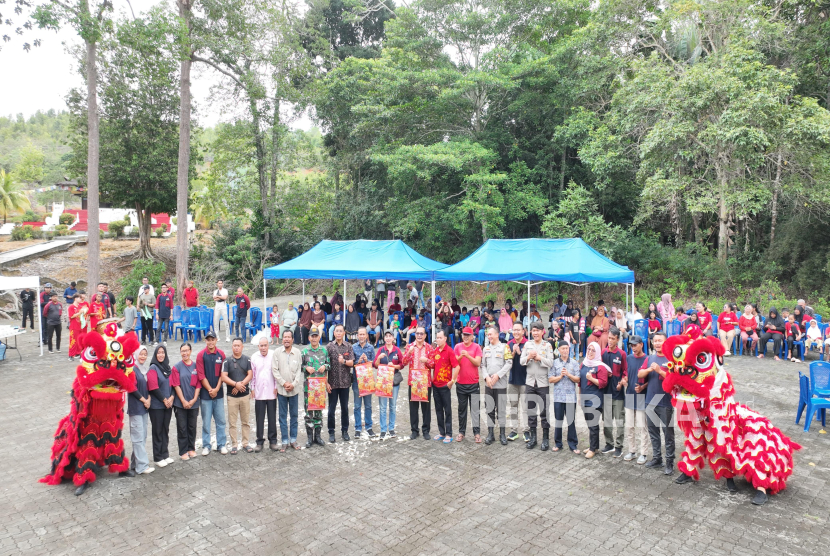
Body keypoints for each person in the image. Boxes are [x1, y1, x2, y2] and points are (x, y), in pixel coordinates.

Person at [638, 331, 674, 475]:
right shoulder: (649, 358)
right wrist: (649, 369)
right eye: (655, 340)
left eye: (660, 340)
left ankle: (669, 462)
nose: (657, 343)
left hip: (665, 401)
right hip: (650, 401)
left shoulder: (671, 359)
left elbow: (673, 379)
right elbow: (640, 374)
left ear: (666, 343)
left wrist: (660, 371)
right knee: (653, 431)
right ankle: (657, 458)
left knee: (668, 434)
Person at [521, 322, 554, 450]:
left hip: (543, 383)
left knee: (544, 411)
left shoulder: (548, 345)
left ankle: (545, 439)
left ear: (542, 332)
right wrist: (529, 357)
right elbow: (521, 361)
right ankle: (533, 438)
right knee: (531, 410)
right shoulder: (527, 345)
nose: (535, 333)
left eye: (537, 331)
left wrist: (540, 358)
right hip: (530, 383)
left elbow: (551, 362)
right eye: (533, 331)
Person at [196, 331, 228, 456]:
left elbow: (223, 374)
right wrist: (210, 389)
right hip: (205, 395)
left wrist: (216, 389)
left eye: (212, 339)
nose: (210, 342)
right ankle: (206, 445)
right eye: (208, 340)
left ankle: (221, 444)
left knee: (221, 421)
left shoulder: (221, 354)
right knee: (206, 422)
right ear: (206, 341)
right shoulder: (200, 355)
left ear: (216, 340)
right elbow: (201, 375)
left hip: (219, 394)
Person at [271, 330, 303, 451]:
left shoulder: (297, 352)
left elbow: (299, 371)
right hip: (282, 390)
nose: (286, 339)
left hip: (294, 391)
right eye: (284, 337)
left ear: (292, 339)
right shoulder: (277, 352)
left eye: (289, 337)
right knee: (282, 416)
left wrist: (293, 384)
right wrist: (284, 383)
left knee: (294, 415)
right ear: (282, 338)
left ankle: (293, 439)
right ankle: (284, 440)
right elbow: (275, 370)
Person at [481, 326, 512, 446]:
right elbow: (483, 365)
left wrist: (498, 375)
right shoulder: (486, 349)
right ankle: (490, 434)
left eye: (491, 334)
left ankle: (502, 434)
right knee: (489, 409)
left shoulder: (505, 347)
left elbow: (509, 363)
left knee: (501, 410)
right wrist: (486, 377)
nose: (489, 336)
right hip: (489, 385)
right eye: (488, 335)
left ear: (497, 335)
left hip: (500, 385)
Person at [401, 326, 434, 439]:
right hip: (414, 381)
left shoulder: (429, 348)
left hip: (425, 382)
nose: (419, 335)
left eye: (421, 333)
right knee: (413, 407)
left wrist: (427, 361)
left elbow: (433, 364)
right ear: (415, 335)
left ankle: (426, 430)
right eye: (417, 333)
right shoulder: (410, 347)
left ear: (425, 335)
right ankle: (414, 430)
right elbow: (403, 362)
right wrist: (409, 353)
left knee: (426, 407)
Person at [578, 342, 609, 459]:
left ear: (597, 353)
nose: (590, 352)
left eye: (593, 350)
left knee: (593, 424)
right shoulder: (584, 364)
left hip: (595, 399)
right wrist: (580, 396)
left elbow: (603, 383)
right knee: (589, 424)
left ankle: (593, 449)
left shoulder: (600, 367)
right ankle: (593, 446)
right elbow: (581, 382)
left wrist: (592, 379)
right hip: (585, 398)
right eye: (588, 349)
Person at [170, 343, 200, 461]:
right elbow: (176, 385)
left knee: (192, 426)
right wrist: (183, 400)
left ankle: (191, 448)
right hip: (180, 403)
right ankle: (183, 451)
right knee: (182, 427)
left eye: (187, 351)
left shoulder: (196, 367)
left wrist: (193, 400)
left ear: (191, 351)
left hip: (194, 402)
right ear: (180, 352)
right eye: (182, 351)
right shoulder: (176, 367)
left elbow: (198, 384)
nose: (185, 353)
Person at [222, 338, 253, 454]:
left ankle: (245, 443)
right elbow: (223, 377)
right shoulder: (227, 361)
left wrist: (240, 385)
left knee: (245, 421)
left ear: (242, 347)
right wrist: (235, 384)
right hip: (232, 397)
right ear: (232, 347)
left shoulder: (247, 360)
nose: (236, 347)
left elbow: (250, 375)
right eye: (234, 345)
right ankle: (234, 444)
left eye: (238, 345)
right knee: (232, 422)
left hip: (245, 395)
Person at [453, 326, 483, 443]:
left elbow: (477, 363)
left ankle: (477, 433)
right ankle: (461, 432)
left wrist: (468, 355)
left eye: (468, 335)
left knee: (475, 410)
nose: (465, 337)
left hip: (474, 384)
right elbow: (456, 363)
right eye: (464, 335)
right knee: (462, 409)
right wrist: (461, 356)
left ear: (472, 337)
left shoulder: (476, 347)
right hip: (461, 383)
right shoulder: (457, 347)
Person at [146, 345, 175, 468]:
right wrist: (164, 399)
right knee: (157, 431)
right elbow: (153, 387)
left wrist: (171, 398)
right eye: (159, 353)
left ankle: (165, 454)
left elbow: (173, 384)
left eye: (163, 352)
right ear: (155, 355)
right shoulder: (153, 368)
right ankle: (158, 457)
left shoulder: (168, 368)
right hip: (157, 406)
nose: (161, 355)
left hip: (168, 405)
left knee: (165, 429)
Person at [601, 327, 628, 457]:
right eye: (609, 338)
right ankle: (609, 444)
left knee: (619, 421)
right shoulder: (603, 353)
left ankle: (619, 446)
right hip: (605, 392)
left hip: (618, 393)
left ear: (617, 339)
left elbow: (625, 372)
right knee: (606, 421)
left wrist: (622, 381)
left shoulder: (622, 354)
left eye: (613, 338)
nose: (610, 340)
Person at [127, 346, 154, 475]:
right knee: (138, 437)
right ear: (136, 354)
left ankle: (134, 464)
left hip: (144, 408)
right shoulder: (132, 369)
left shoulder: (144, 370)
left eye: (145, 354)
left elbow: (147, 387)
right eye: (141, 354)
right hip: (136, 408)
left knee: (141, 436)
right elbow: (131, 387)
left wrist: (148, 399)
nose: (143, 356)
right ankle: (142, 466)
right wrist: (144, 400)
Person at [302, 325, 330, 447]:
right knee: (309, 413)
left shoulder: (324, 351)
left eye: (316, 336)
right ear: (309, 338)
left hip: (320, 387)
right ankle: (309, 438)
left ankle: (317, 437)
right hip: (308, 388)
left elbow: (329, 364)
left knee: (318, 412)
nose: (314, 339)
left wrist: (325, 366)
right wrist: (306, 368)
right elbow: (299, 366)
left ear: (319, 337)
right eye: (312, 336)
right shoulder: (304, 352)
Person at [549, 341, 580, 453]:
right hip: (558, 397)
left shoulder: (575, 363)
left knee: (571, 421)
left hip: (571, 397)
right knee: (558, 420)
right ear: (559, 350)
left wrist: (568, 374)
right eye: (563, 348)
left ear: (569, 349)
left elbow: (578, 379)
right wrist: (560, 376)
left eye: (567, 348)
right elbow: (551, 379)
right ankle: (558, 443)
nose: (565, 350)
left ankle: (573, 445)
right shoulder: (554, 363)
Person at [623, 335, 649, 464]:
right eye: (631, 345)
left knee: (642, 426)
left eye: (635, 345)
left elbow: (651, 380)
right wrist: (624, 380)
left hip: (641, 397)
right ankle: (632, 451)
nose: (633, 347)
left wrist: (643, 386)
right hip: (629, 395)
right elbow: (626, 373)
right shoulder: (628, 358)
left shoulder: (647, 359)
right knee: (629, 426)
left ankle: (643, 453)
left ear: (641, 344)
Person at [432, 329, 460, 443]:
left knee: (447, 410)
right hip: (435, 385)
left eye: (440, 338)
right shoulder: (435, 351)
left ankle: (449, 433)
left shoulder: (449, 351)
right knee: (438, 410)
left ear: (445, 339)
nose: (438, 340)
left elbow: (457, 366)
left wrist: (452, 381)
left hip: (445, 386)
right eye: (437, 338)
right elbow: (433, 365)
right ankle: (441, 432)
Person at [326, 324, 352, 443]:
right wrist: (326, 382)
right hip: (333, 383)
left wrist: (344, 361)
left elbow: (352, 362)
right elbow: (326, 365)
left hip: (345, 383)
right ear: (334, 333)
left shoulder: (348, 346)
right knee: (331, 409)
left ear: (344, 333)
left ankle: (345, 431)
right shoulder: (329, 347)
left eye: (341, 331)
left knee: (344, 408)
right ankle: (331, 431)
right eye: (337, 331)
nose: (339, 333)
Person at [250, 337, 277, 451]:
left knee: (272, 418)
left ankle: (273, 441)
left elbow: (276, 372)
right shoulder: (254, 357)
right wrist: (252, 388)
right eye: (261, 345)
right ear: (258, 346)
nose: (263, 348)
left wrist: (276, 387)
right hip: (259, 392)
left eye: (265, 345)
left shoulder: (273, 355)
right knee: (259, 418)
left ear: (268, 345)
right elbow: (253, 375)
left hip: (271, 391)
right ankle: (259, 442)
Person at [374, 331, 403, 438]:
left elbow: (402, 364)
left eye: (390, 336)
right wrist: (378, 358)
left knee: (393, 406)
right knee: (382, 407)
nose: (388, 338)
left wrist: (394, 366)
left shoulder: (397, 350)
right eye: (386, 336)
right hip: (383, 382)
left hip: (394, 382)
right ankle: (383, 429)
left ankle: (391, 429)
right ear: (384, 338)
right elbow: (375, 365)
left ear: (393, 338)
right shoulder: (381, 350)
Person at [352, 328, 377, 438]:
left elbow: (375, 363)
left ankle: (369, 427)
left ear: (366, 336)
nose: (361, 336)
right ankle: (358, 428)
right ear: (357, 335)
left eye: (363, 334)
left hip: (367, 381)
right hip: (357, 381)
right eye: (360, 334)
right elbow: (351, 363)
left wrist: (367, 361)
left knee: (368, 406)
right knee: (357, 406)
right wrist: (358, 362)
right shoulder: (353, 347)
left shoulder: (371, 347)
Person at [506, 322, 529, 442]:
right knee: (513, 406)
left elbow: (529, 363)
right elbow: (506, 363)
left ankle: (526, 431)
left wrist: (520, 354)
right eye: (514, 330)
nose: (516, 332)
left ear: (523, 331)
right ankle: (514, 431)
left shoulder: (528, 344)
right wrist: (513, 353)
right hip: (512, 380)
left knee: (525, 408)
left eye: (518, 330)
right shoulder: (509, 344)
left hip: (525, 381)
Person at [67, 293, 89, 361]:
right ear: (75, 298)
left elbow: (82, 315)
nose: (80, 299)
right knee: (73, 340)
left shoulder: (79, 307)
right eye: (79, 298)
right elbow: (71, 316)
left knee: (78, 340)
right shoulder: (71, 307)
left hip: (80, 325)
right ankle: (71, 355)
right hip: (74, 326)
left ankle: (77, 353)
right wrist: (79, 313)